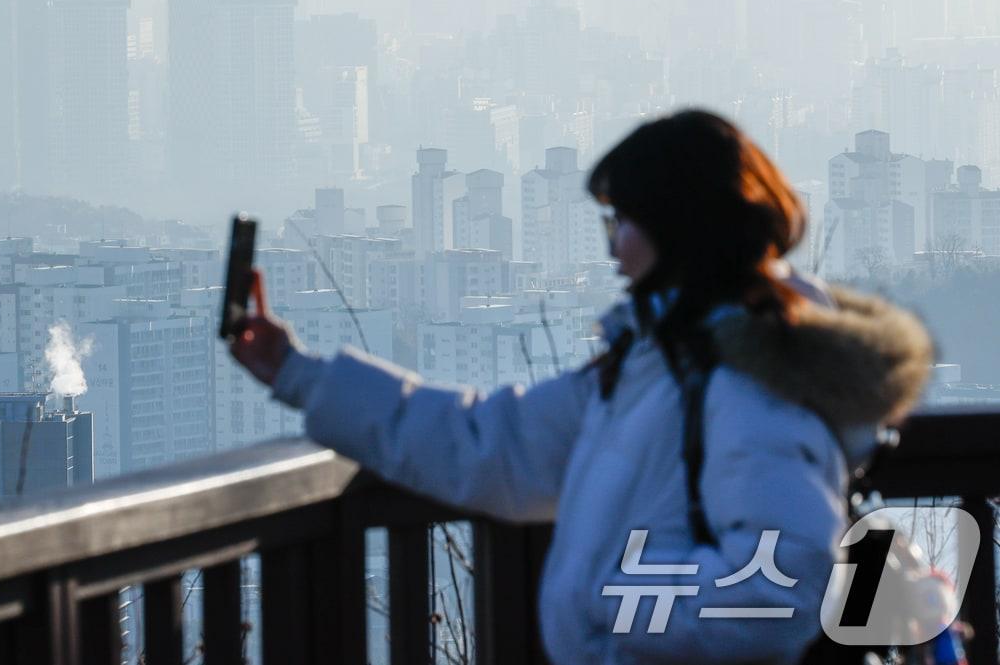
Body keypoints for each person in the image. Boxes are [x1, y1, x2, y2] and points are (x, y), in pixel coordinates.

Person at [229, 109, 933, 664]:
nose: (611, 245)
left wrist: (609, 604)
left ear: (677, 228)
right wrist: (297, 372)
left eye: (621, 221)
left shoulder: (747, 384)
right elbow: (491, 444)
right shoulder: (657, 366)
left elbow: (780, 586)